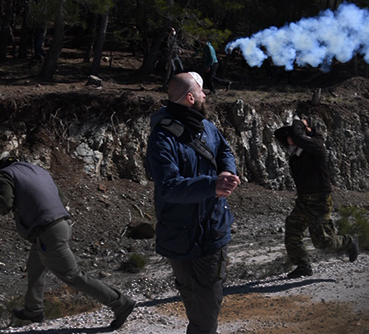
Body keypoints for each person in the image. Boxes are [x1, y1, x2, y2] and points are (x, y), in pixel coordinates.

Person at [146, 72, 241, 334]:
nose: (205, 94)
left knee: (208, 298)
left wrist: (226, 172)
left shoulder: (207, 128)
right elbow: (169, 187)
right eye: (201, 90)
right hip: (179, 232)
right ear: (190, 97)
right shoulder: (162, 138)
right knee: (190, 293)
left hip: (213, 228)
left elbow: (224, 151)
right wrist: (212, 185)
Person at [0, 157, 135, 330]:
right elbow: (61, 198)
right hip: (60, 225)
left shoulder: (6, 174)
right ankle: (33, 309)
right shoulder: (39, 171)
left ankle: (120, 303)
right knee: (35, 265)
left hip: (48, 231)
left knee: (73, 275)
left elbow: (4, 204)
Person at [273, 118, 359, 279]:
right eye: (289, 137)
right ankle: (303, 266)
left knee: (322, 242)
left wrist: (300, 123)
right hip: (304, 200)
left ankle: (348, 242)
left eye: (293, 136)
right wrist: (297, 129)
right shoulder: (297, 153)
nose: (289, 140)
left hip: (320, 200)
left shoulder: (316, 146)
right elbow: (278, 134)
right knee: (293, 229)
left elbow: (299, 138)